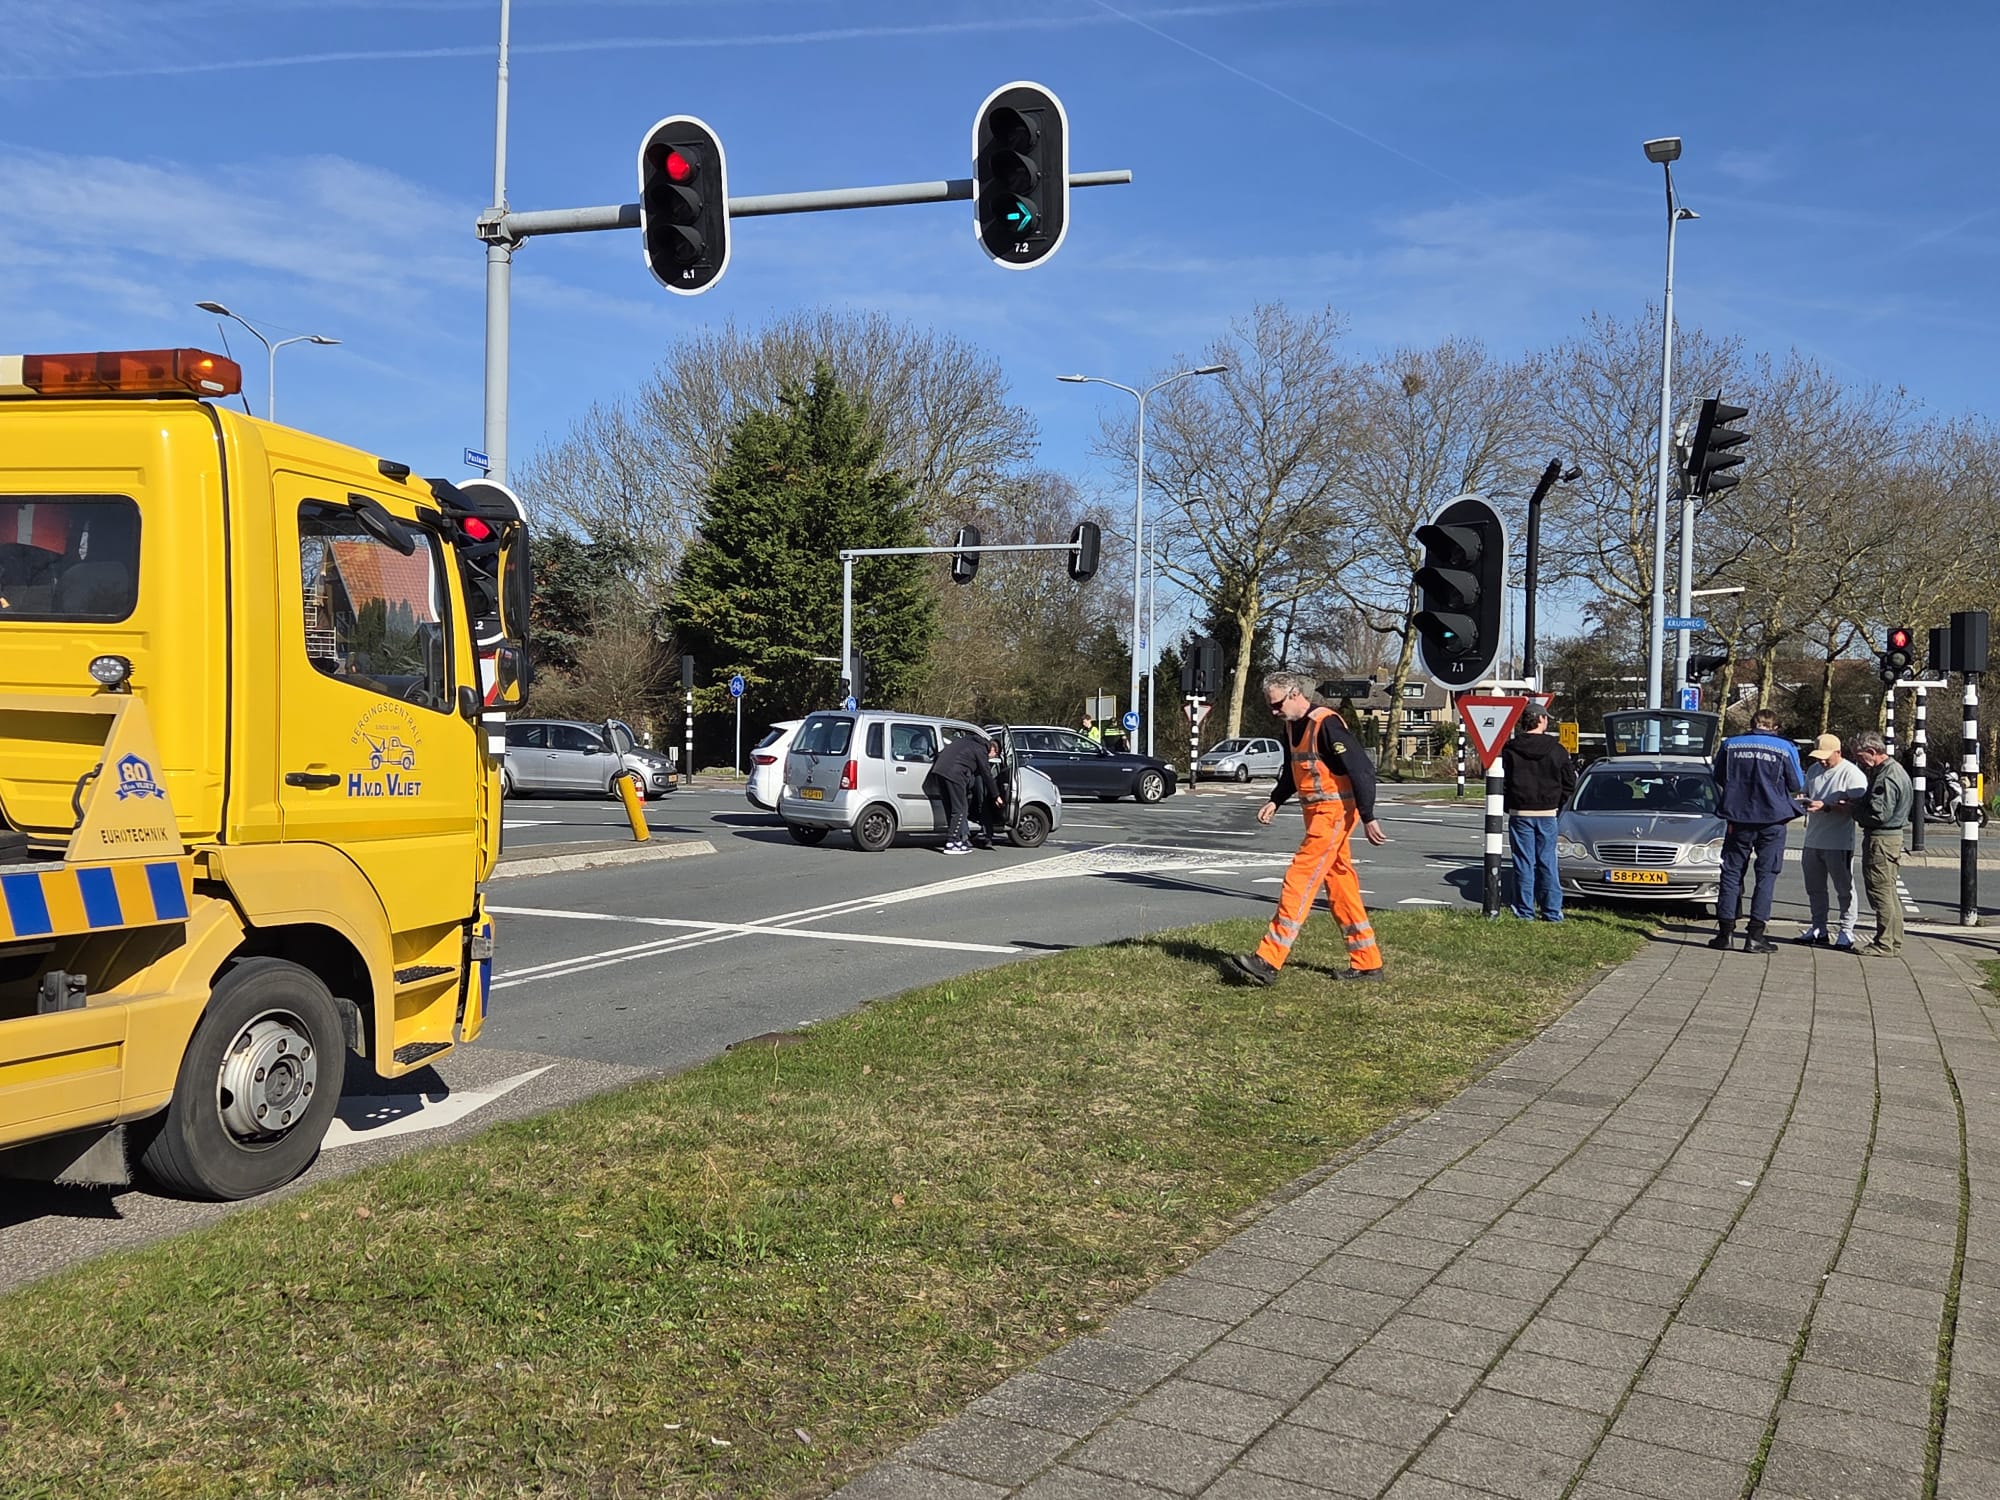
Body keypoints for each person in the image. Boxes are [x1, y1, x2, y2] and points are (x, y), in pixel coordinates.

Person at [1224, 672, 1389, 986]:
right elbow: (1292, 770)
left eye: (1276, 705)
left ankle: (1268, 960)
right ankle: (1368, 963)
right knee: (1340, 885)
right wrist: (1275, 800)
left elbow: (1362, 768)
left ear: (1295, 694)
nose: (1274, 712)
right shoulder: (1291, 726)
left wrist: (1368, 815)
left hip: (1335, 814)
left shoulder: (1326, 723)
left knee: (1300, 878)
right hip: (1317, 815)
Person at [1710, 708, 1806, 954]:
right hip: (1773, 819)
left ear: (1752, 723)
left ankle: (1725, 933)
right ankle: (1755, 936)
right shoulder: (1785, 748)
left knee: (1731, 873)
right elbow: (1797, 783)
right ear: (1775, 727)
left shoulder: (1731, 744)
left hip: (1738, 817)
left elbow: (1718, 776)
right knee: (1766, 875)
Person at [1502, 706, 1578, 922]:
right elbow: (1569, 783)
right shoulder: (1557, 749)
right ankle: (1552, 911)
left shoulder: (1510, 749)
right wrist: (1556, 804)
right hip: (1547, 813)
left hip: (1520, 812)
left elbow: (1502, 782)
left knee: (1523, 862)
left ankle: (1525, 911)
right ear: (1541, 720)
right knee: (1547, 862)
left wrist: (1510, 805)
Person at [1846, 729, 1914, 956]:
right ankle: (1893, 940)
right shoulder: (1896, 771)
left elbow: (1879, 814)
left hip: (1882, 839)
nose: (1858, 761)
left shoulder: (1885, 777)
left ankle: (1884, 943)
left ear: (1872, 752)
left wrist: (1853, 810)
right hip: (1892, 839)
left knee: (1880, 891)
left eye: (1860, 756)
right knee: (1890, 891)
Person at [1797, 732, 1866, 949]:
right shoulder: (1815, 771)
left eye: (1826, 756)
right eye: (1819, 757)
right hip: (1813, 838)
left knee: (1844, 888)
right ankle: (1819, 927)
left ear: (1838, 752)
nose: (1822, 761)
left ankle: (1846, 930)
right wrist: (1802, 800)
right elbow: (1806, 791)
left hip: (1838, 841)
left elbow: (1857, 808)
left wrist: (1827, 806)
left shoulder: (1852, 774)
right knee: (1814, 888)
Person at [928, 731, 997, 855]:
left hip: (939, 772)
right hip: (955, 775)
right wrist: (996, 795)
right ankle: (951, 842)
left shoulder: (964, 742)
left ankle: (958, 841)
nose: (991, 758)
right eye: (994, 755)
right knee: (960, 809)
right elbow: (987, 774)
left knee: (951, 808)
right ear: (992, 749)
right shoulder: (981, 749)